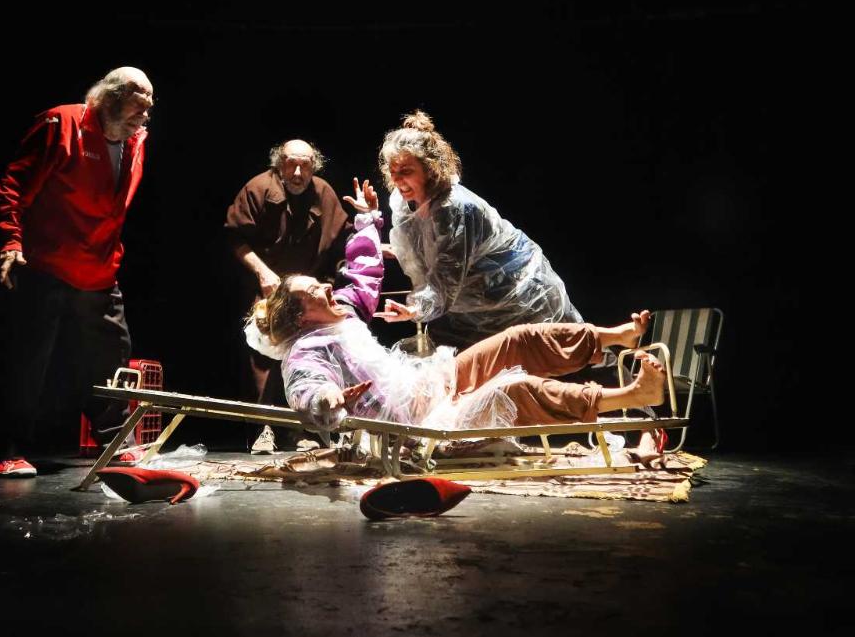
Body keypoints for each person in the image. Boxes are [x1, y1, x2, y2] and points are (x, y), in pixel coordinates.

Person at [244, 179, 665, 446]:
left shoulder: (344, 313)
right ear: (301, 317)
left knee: (516, 339)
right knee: (514, 390)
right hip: (417, 427)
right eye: (313, 291)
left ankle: (614, 336)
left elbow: (364, 270)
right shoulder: (306, 351)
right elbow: (306, 389)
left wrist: (369, 219)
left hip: (427, 386)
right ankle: (632, 396)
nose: (325, 286)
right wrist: (326, 399)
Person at [0, 67, 154, 477]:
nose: (146, 114)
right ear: (111, 98)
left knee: (112, 353)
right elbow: (14, 184)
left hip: (99, 267)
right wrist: (11, 241)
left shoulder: (136, 140)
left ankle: (115, 442)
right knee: (29, 359)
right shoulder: (61, 123)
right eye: (139, 103)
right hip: (46, 261)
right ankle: (11, 448)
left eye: (150, 106)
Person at [376, 110, 582, 350]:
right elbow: (421, 252)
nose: (397, 180)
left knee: (559, 353)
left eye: (406, 171)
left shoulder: (453, 209)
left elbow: (447, 277)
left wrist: (415, 309)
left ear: (430, 168)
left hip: (518, 296)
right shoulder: (405, 204)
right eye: (393, 171)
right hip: (476, 306)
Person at [225, 139, 348, 452]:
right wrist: (262, 273)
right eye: (291, 164)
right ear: (279, 164)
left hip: (309, 290)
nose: (297, 172)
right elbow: (236, 238)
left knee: (311, 355)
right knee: (264, 356)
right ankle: (263, 428)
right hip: (269, 287)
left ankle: (305, 429)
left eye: (305, 165)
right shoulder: (258, 189)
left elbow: (342, 242)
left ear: (313, 166)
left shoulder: (323, 193)